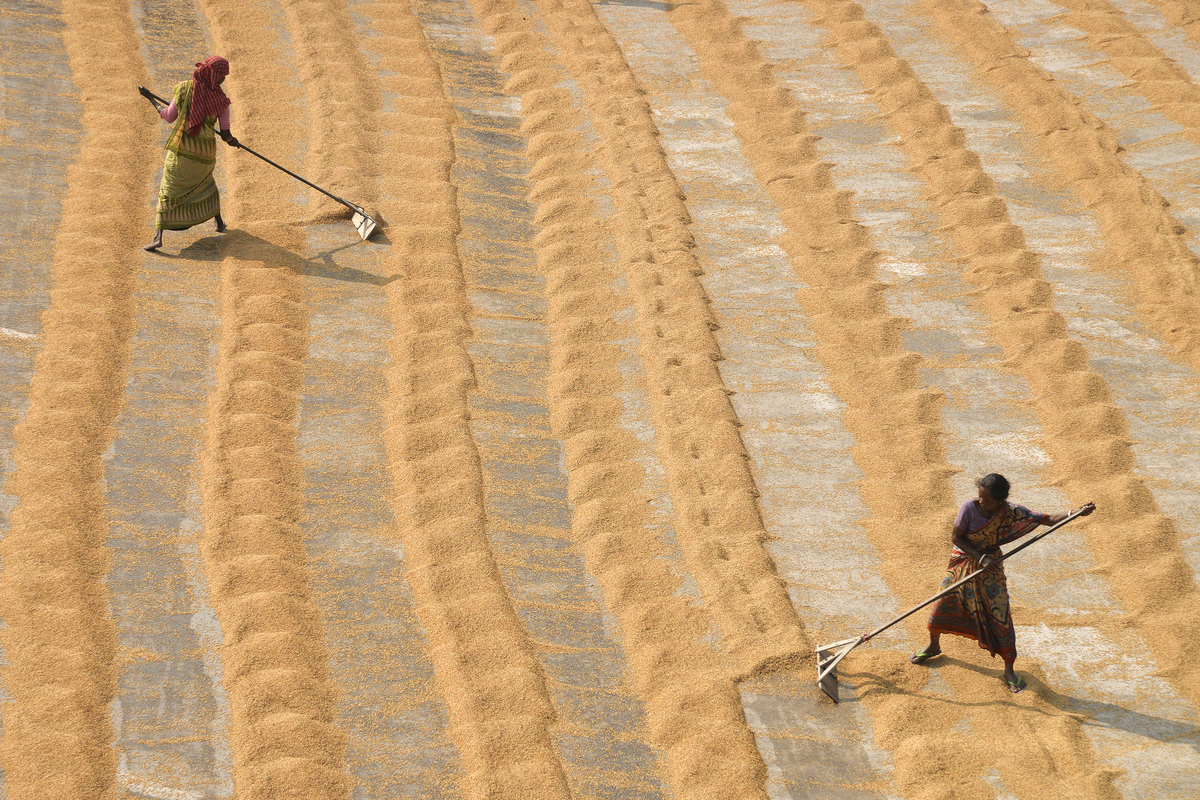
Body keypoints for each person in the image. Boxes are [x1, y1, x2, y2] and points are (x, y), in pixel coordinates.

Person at [910, 473, 1095, 693]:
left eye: (987, 500)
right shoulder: (968, 508)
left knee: (1000, 615)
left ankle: (1009, 670)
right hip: (963, 561)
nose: (982, 502)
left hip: (991, 567)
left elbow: (1045, 519)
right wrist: (979, 557)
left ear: (1000, 501)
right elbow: (956, 538)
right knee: (943, 601)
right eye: (980, 497)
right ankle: (933, 645)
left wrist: (1075, 513)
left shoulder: (1011, 512)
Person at [142, 56, 239, 252]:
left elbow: (168, 117)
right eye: (223, 77)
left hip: (181, 152)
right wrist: (234, 142)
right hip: (204, 155)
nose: (223, 81)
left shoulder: (183, 88)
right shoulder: (221, 101)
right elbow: (226, 135)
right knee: (205, 184)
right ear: (218, 77)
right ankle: (219, 223)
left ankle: (158, 236)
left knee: (168, 189)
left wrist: (151, 98)